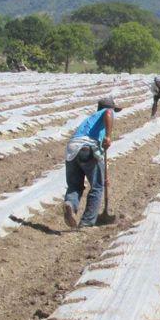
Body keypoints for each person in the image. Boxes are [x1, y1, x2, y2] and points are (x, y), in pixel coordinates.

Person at [63, 97, 120, 229]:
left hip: (72, 148)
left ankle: (70, 204)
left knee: (74, 185)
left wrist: (104, 173)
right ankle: (87, 223)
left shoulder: (90, 120)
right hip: (87, 147)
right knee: (97, 186)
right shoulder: (106, 112)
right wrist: (108, 136)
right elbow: (108, 113)